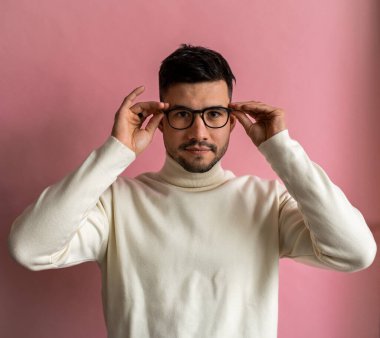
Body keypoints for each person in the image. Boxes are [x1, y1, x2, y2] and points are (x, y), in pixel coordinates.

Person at [9, 44, 377, 338]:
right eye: (182, 114)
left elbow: (355, 252)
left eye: (214, 114)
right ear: (160, 121)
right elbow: (30, 247)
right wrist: (116, 151)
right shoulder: (117, 204)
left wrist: (281, 150)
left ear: (233, 122)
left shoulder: (267, 203)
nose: (199, 133)